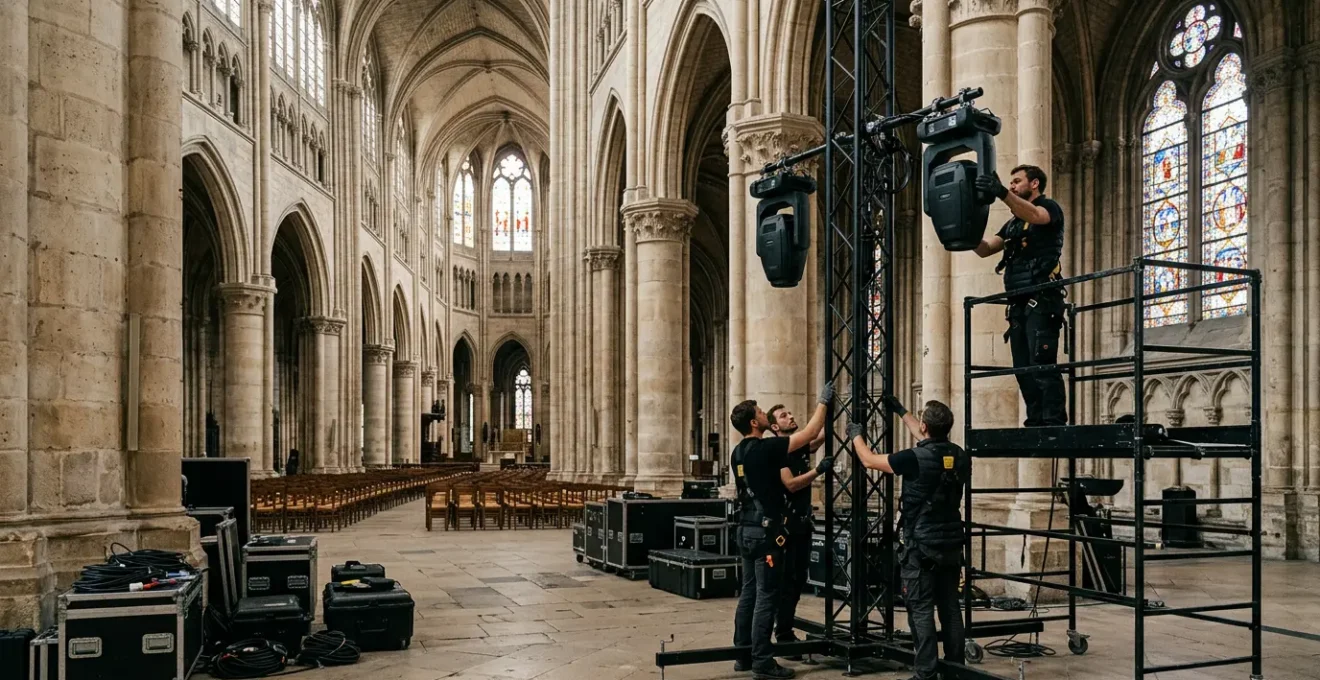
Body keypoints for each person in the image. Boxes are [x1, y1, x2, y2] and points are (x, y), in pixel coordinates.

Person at [848, 397, 969, 680]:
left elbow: (868, 460)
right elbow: (928, 438)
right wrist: (902, 412)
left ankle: (926, 672)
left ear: (925, 425)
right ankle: (956, 669)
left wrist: (856, 436)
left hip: (921, 546)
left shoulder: (913, 459)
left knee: (921, 608)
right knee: (950, 608)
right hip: (951, 543)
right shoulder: (959, 454)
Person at [730, 382, 837, 679]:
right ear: (755, 422)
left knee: (750, 592)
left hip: (747, 528)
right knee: (767, 595)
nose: (765, 414)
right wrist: (823, 402)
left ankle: (743, 652)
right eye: (761, 412)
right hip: (766, 534)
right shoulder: (765, 448)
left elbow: (810, 440)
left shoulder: (738, 452)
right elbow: (809, 433)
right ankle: (763, 661)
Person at [972, 165, 1068, 427]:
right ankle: (1035, 419)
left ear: (1034, 183)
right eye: (1010, 182)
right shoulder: (1013, 223)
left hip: (1042, 300)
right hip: (1018, 303)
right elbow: (985, 248)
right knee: (1022, 367)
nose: (1013, 186)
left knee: (1042, 363)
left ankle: (1053, 420)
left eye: (1017, 181)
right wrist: (962, 229)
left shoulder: (1049, 208)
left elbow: (1037, 216)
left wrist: (1002, 193)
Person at [766, 404, 825, 654]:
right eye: (784, 415)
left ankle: (785, 627)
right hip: (786, 528)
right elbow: (790, 484)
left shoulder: (798, 447)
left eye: (790, 412)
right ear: (775, 427)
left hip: (802, 523)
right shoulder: (777, 452)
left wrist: (835, 415)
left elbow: (816, 437)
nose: (791, 416)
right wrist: (818, 471)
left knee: (798, 577)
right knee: (787, 580)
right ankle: (783, 633)